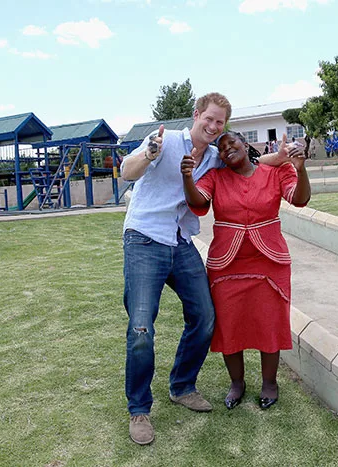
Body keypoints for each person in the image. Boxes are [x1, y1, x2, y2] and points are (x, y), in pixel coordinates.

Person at [120, 92, 291, 445]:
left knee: (206, 316)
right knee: (141, 329)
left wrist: (285, 156)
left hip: (181, 242)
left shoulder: (215, 155)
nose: (213, 127)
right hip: (145, 239)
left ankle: (182, 386)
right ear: (196, 115)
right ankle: (139, 409)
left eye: (220, 123)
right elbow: (126, 171)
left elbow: (254, 160)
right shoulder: (164, 141)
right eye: (209, 119)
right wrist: (149, 152)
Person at [181, 131, 310, 411]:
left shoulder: (276, 171)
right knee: (230, 324)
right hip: (227, 262)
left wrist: (301, 171)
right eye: (222, 148)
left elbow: (299, 199)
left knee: (270, 321)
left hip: (269, 259)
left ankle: (269, 383)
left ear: (246, 144)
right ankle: (236, 383)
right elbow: (199, 202)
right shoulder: (215, 177)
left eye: (233, 143)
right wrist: (187, 177)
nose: (227, 149)